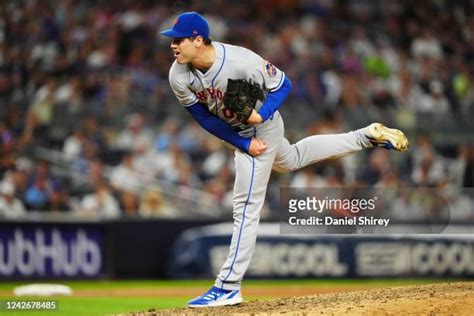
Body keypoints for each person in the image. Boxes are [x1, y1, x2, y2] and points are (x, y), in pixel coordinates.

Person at [160, 11, 409, 308]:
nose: (173, 46)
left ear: (198, 40)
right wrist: (242, 142)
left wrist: (260, 117)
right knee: (291, 159)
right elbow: (202, 116)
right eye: (172, 41)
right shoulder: (178, 74)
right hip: (243, 134)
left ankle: (228, 285)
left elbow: (284, 85)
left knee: (245, 207)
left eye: (179, 40)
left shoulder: (241, 61)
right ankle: (365, 136)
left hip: (263, 127)